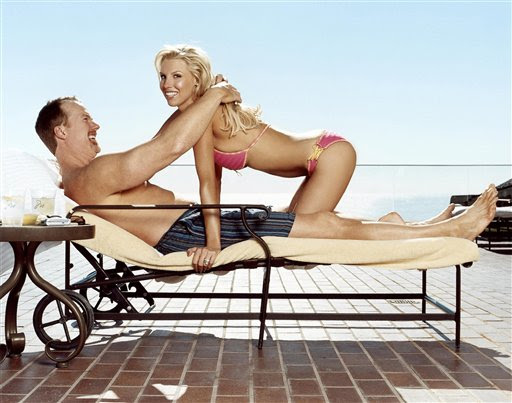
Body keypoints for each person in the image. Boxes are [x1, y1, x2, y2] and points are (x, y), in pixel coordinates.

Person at [35, 93, 497, 273]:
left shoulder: (85, 181)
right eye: (85, 119)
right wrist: (215, 94)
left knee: (322, 221)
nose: (96, 125)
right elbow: (170, 145)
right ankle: (450, 231)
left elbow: (167, 140)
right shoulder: (91, 176)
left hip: (198, 224)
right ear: (60, 132)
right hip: (190, 231)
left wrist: (196, 102)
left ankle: (412, 226)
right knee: (326, 227)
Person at [153, 44, 457, 266]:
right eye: (163, 77)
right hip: (321, 154)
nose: (167, 84)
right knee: (306, 227)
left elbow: (208, 184)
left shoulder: (203, 115)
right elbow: (206, 178)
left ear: (196, 79)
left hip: (327, 154)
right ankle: (399, 225)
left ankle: (436, 232)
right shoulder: (199, 114)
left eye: (177, 76)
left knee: (308, 237)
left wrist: (214, 245)